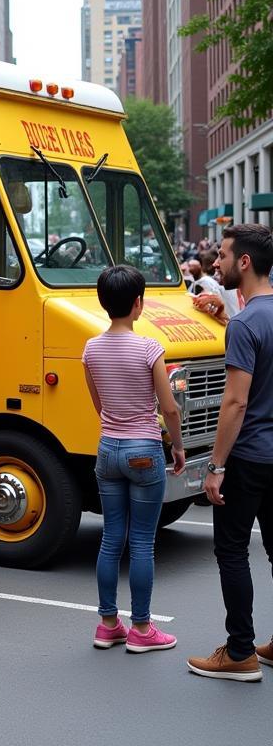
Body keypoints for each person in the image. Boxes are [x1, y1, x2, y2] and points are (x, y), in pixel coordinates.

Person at [83, 264, 186, 653]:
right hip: (144, 449)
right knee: (142, 542)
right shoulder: (148, 348)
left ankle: (108, 624)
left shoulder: (91, 348)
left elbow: (98, 403)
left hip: (108, 448)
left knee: (111, 538)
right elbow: (169, 408)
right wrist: (176, 447)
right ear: (138, 304)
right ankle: (142, 629)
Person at [187, 224, 273, 682]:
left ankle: (240, 650)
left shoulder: (245, 323)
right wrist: (226, 318)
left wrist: (216, 466)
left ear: (244, 262)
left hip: (250, 457)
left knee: (233, 552)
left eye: (222, 256)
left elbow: (236, 402)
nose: (215, 264)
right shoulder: (249, 317)